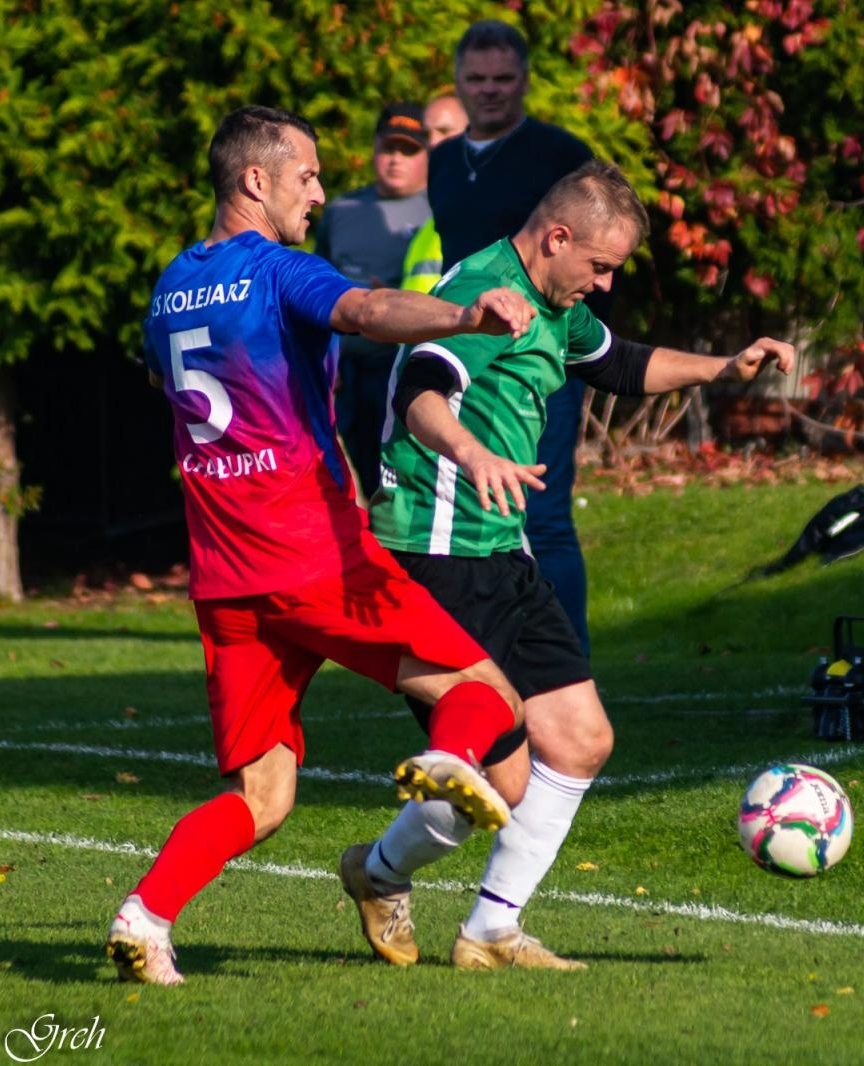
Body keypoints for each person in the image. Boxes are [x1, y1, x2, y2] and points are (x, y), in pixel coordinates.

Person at [107, 105, 536, 986]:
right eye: (305, 175)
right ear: (255, 182)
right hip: (311, 557)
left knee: (261, 799)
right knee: (487, 695)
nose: (318, 190)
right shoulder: (278, 269)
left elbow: (171, 386)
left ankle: (144, 918)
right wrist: (464, 318)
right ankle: (445, 761)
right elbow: (368, 307)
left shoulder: (172, 285)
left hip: (225, 578)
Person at [338, 161, 794, 971]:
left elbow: (617, 362)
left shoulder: (559, 303)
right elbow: (422, 390)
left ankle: (489, 934)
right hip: (432, 557)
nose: (606, 283)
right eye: (601, 265)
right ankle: (378, 873)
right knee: (500, 783)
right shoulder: (488, 292)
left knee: (581, 741)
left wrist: (724, 369)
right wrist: (472, 450)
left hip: (501, 556)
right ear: (556, 238)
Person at [428, 20, 599, 652]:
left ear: (524, 80)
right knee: (473, 511)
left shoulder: (560, 154)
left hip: (538, 361)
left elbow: (598, 248)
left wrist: (574, 340)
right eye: (477, 79)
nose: (490, 91)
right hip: (467, 359)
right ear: (458, 83)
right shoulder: (442, 161)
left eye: (503, 78)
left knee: (545, 515)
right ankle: (483, 658)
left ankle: (566, 660)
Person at [315, 102, 433, 498]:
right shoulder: (342, 211)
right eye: (389, 148)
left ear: (427, 155)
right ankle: (383, 553)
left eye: (409, 150)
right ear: (373, 149)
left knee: (411, 478)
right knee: (371, 480)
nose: (396, 160)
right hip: (351, 369)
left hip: (408, 367)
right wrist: (328, 361)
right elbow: (319, 290)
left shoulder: (439, 211)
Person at [401, 95, 470, 297]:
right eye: (425, 134)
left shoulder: (494, 203)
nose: (432, 142)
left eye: (445, 131)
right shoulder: (432, 221)